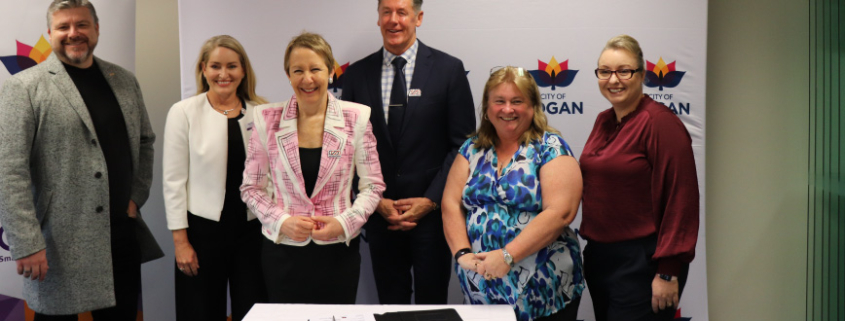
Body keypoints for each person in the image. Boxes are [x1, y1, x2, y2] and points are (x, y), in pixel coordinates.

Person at [0, 0, 163, 320]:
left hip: (119, 235)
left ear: (97, 29)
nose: (73, 33)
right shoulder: (24, 87)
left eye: (82, 25)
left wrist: (136, 196)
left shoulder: (125, 80)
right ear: (50, 33)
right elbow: (9, 169)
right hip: (56, 244)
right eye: (63, 27)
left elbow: (146, 142)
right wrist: (27, 243)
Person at [341, 0, 476, 304]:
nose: (394, 20)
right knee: (390, 304)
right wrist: (375, 201)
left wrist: (431, 200)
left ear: (419, 17)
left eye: (402, 12)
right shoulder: (357, 75)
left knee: (432, 305)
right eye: (386, 12)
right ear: (378, 18)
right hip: (381, 217)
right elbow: (345, 148)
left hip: (433, 217)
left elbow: (463, 146)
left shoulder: (449, 70)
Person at [240, 32, 385, 304]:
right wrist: (283, 221)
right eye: (298, 71)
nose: (307, 79)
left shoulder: (357, 117)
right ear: (288, 75)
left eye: (315, 69)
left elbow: (373, 185)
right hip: (282, 252)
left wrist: (343, 223)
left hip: (337, 253)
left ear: (330, 71)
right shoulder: (265, 119)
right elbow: (251, 188)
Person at [442, 66, 584, 321]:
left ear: (533, 107)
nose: (508, 109)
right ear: (487, 108)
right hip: (481, 289)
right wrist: (463, 254)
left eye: (517, 101)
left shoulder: (550, 147)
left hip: (541, 290)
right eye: (500, 101)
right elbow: (450, 204)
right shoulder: (471, 149)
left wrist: (507, 255)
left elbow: (561, 212)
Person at [579, 35, 699, 321]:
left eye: (624, 70)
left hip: (644, 262)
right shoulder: (604, 120)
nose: (613, 79)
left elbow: (680, 199)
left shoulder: (660, 122)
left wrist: (668, 271)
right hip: (601, 258)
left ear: (642, 74)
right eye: (605, 71)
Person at [163, 35, 268, 321]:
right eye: (216, 66)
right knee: (200, 312)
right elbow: (173, 183)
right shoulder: (183, 113)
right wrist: (180, 243)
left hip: (252, 234)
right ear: (203, 69)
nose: (224, 74)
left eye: (232, 66)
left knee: (254, 311)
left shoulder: (262, 113)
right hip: (201, 234)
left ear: (243, 70)